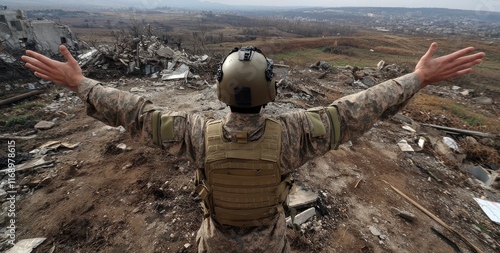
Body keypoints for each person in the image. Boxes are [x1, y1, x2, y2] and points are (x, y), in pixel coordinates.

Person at [22, 43, 485, 253]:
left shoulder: (194, 134)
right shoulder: (298, 134)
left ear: (221, 89)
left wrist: (81, 82)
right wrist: (418, 77)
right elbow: (357, 110)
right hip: (271, 242)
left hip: (215, 242)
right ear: (271, 91)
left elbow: (134, 112)